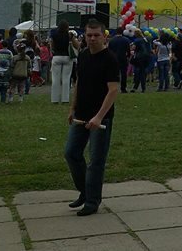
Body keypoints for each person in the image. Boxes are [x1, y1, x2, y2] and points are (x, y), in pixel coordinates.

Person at [65, 19, 120, 217]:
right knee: (71, 153)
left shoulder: (110, 59)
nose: (92, 39)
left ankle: (92, 201)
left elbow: (113, 90)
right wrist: (72, 108)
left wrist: (98, 117)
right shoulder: (83, 55)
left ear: (104, 36)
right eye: (89, 35)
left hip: (100, 118)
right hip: (81, 114)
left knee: (96, 161)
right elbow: (79, 82)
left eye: (96, 35)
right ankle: (85, 191)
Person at [50, 21, 78, 104]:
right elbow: (76, 46)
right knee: (66, 78)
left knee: (55, 79)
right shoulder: (69, 35)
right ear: (67, 27)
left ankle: (54, 99)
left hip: (56, 56)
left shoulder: (54, 34)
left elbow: (52, 46)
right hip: (67, 57)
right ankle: (65, 99)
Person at [107, 28, 131, 93]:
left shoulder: (112, 40)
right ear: (122, 32)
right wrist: (128, 56)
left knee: (114, 74)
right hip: (123, 58)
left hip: (114, 59)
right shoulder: (126, 40)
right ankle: (123, 88)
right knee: (123, 74)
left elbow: (109, 50)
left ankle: (113, 88)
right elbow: (128, 50)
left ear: (116, 32)